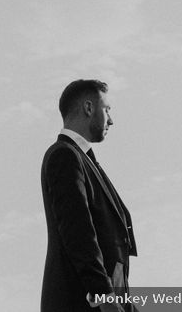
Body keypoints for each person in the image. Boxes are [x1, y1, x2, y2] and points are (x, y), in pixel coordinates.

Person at [41, 80, 138, 312]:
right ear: (88, 108)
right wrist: (105, 298)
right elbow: (79, 234)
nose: (111, 120)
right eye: (107, 110)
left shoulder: (84, 160)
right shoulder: (65, 156)